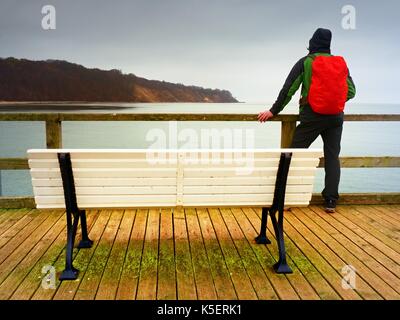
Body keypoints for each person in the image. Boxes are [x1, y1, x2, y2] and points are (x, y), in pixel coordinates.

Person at [258, 28, 356, 213]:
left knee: (292, 156)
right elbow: (351, 91)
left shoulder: (305, 62)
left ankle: (285, 199)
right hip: (335, 117)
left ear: (312, 43)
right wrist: (332, 101)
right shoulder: (340, 64)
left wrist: (273, 110)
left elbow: (288, 90)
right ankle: (330, 201)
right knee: (332, 157)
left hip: (312, 117)